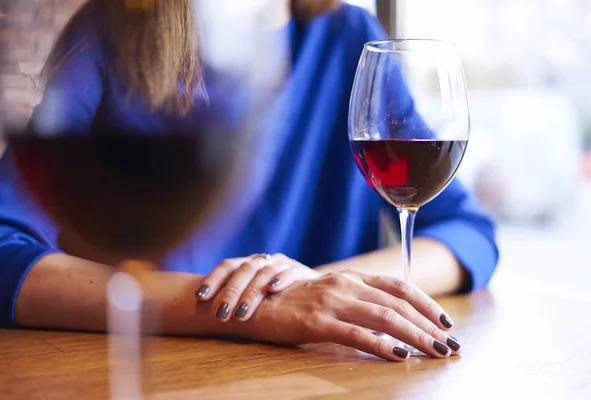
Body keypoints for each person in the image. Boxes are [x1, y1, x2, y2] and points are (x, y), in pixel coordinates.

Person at [0, 0, 498, 361]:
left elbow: (467, 233)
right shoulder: (112, 30)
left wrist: (320, 288)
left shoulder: (348, 37)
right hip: (166, 373)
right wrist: (249, 308)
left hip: (324, 380)